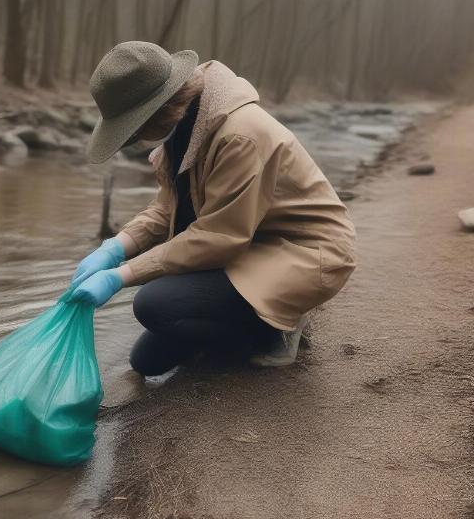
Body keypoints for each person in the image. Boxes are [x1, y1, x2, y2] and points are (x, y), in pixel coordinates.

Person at [67, 41, 356, 376]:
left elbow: (219, 237)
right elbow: (164, 209)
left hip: (305, 252)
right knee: (146, 361)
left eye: (131, 127)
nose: (132, 137)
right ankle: (249, 320)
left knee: (153, 304)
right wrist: (115, 248)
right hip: (251, 245)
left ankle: (274, 327)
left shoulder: (239, 136)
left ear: (154, 111)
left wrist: (122, 276)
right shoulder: (182, 129)